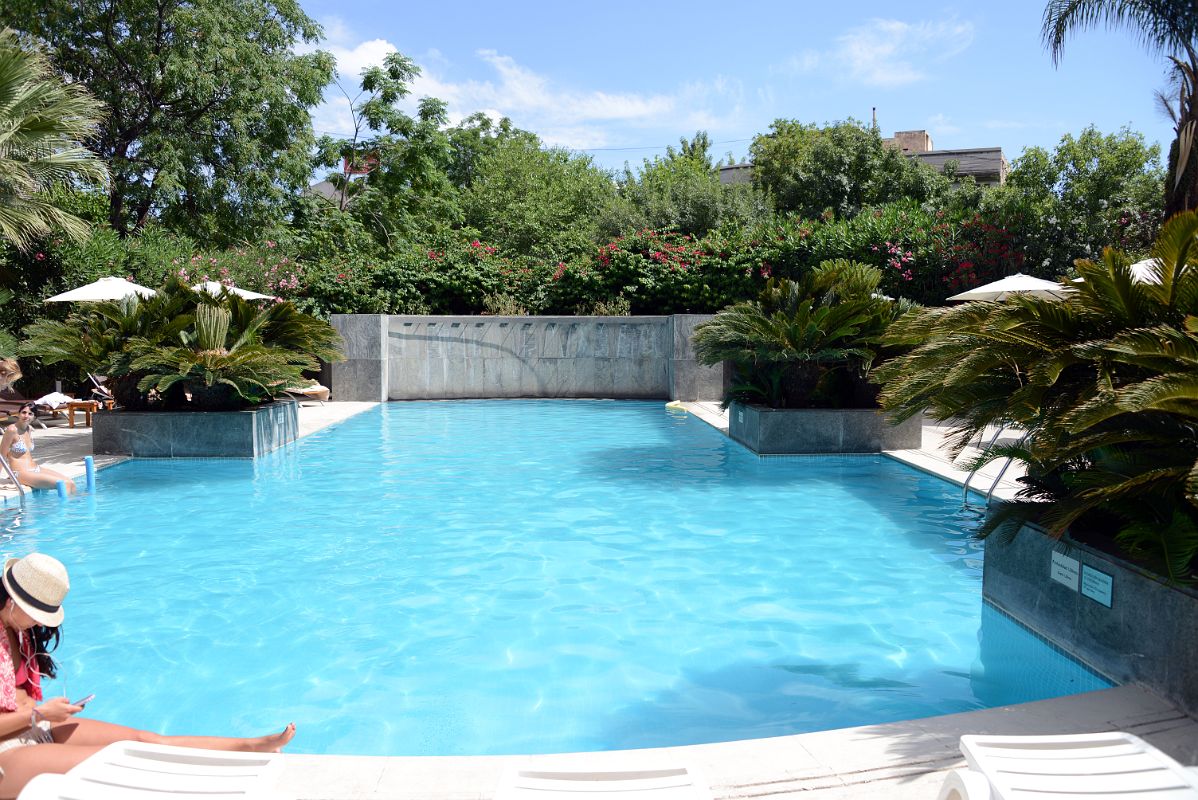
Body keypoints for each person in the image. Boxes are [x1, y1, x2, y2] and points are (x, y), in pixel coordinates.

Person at [0, 553, 295, 798]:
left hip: (35, 728)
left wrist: (43, 715)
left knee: (147, 740)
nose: (41, 622)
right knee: (116, 765)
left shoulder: (20, 630)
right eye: (37, 613)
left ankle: (249, 746)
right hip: (6, 754)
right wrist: (39, 714)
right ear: (12, 601)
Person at [0, 403, 76, 494]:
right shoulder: (12, 430)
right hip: (20, 473)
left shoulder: (28, 429)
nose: (26, 416)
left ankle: (73, 505)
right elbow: (2, 456)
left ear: (34, 417)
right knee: (64, 484)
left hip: (35, 468)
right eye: (23, 412)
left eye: (30, 414)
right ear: (18, 414)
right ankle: (65, 507)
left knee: (71, 483)